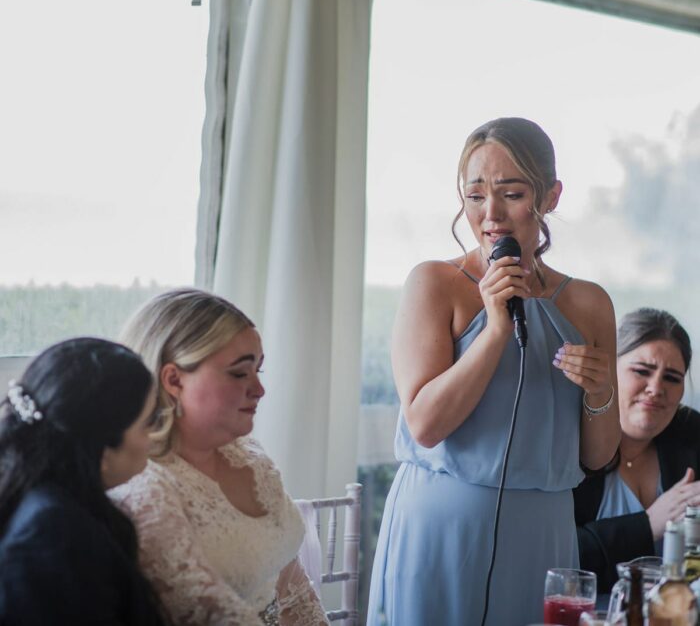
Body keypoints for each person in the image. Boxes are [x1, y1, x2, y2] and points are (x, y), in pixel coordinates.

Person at [367, 117, 621, 625]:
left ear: (550, 196)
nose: (491, 214)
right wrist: (496, 330)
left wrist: (599, 391)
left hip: (543, 535)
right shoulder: (434, 284)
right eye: (475, 194)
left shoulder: (589, 304)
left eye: (511, 193)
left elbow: (597, 456)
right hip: (440, 530)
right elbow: (425, 424)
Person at [110, 288, 328, 626]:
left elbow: (292, 586)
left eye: (259, 370)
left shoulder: (252, 458)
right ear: (173, 379)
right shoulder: (144, 486)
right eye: (240, 373)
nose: (259, 389)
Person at [0, 337, 166, 626]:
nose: (154, 437)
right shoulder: (53, 535)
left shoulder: (50, 502)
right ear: (100, 448)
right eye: (148, 422)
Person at [575, 307, 700, 592]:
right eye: (641, 371)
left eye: (672, 378)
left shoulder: (692, 433)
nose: (656, 388)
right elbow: (556, 553)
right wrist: (648, 524)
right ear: (609, 372)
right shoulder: (567, 440)